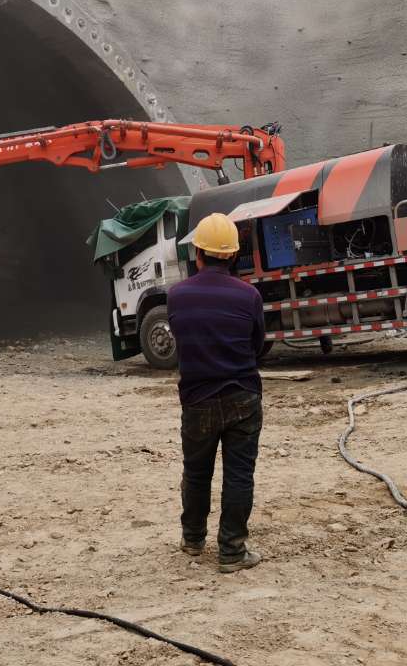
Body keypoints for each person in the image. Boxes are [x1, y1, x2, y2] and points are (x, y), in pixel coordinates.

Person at [167, 212, 268, 573]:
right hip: (242, 396)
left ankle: (193, 540)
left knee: (196, 473)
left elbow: (181, 345)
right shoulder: (249, 296)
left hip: (197, 399)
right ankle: (232, 552)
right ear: (232, 254)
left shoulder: (176, 296)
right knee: (239, 475)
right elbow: (257, 346)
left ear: (198, 253)